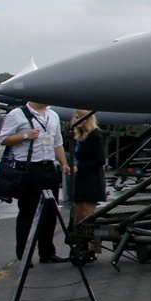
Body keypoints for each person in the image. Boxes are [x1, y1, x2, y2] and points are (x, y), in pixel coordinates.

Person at [0, 100, 70, 263]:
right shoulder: (17, 115)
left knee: (50, 211)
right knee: (28, 212)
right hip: (28, 168)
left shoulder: (53, 115)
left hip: (48, 167)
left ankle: (47, 252)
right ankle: (24, 254)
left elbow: (57, 142)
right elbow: (3, 138)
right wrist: (25, 136)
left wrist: (64, 163)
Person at [68, 111, 107, 262]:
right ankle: (82, 245)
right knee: (78, 214)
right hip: (81, 179)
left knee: (88, 215)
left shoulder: (95, 135)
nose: (79, 121)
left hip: (92, 179)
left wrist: (80, 168)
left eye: (81, 118)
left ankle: (92, 248)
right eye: (76, 118)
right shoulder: (78, 137)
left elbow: (100, 159)